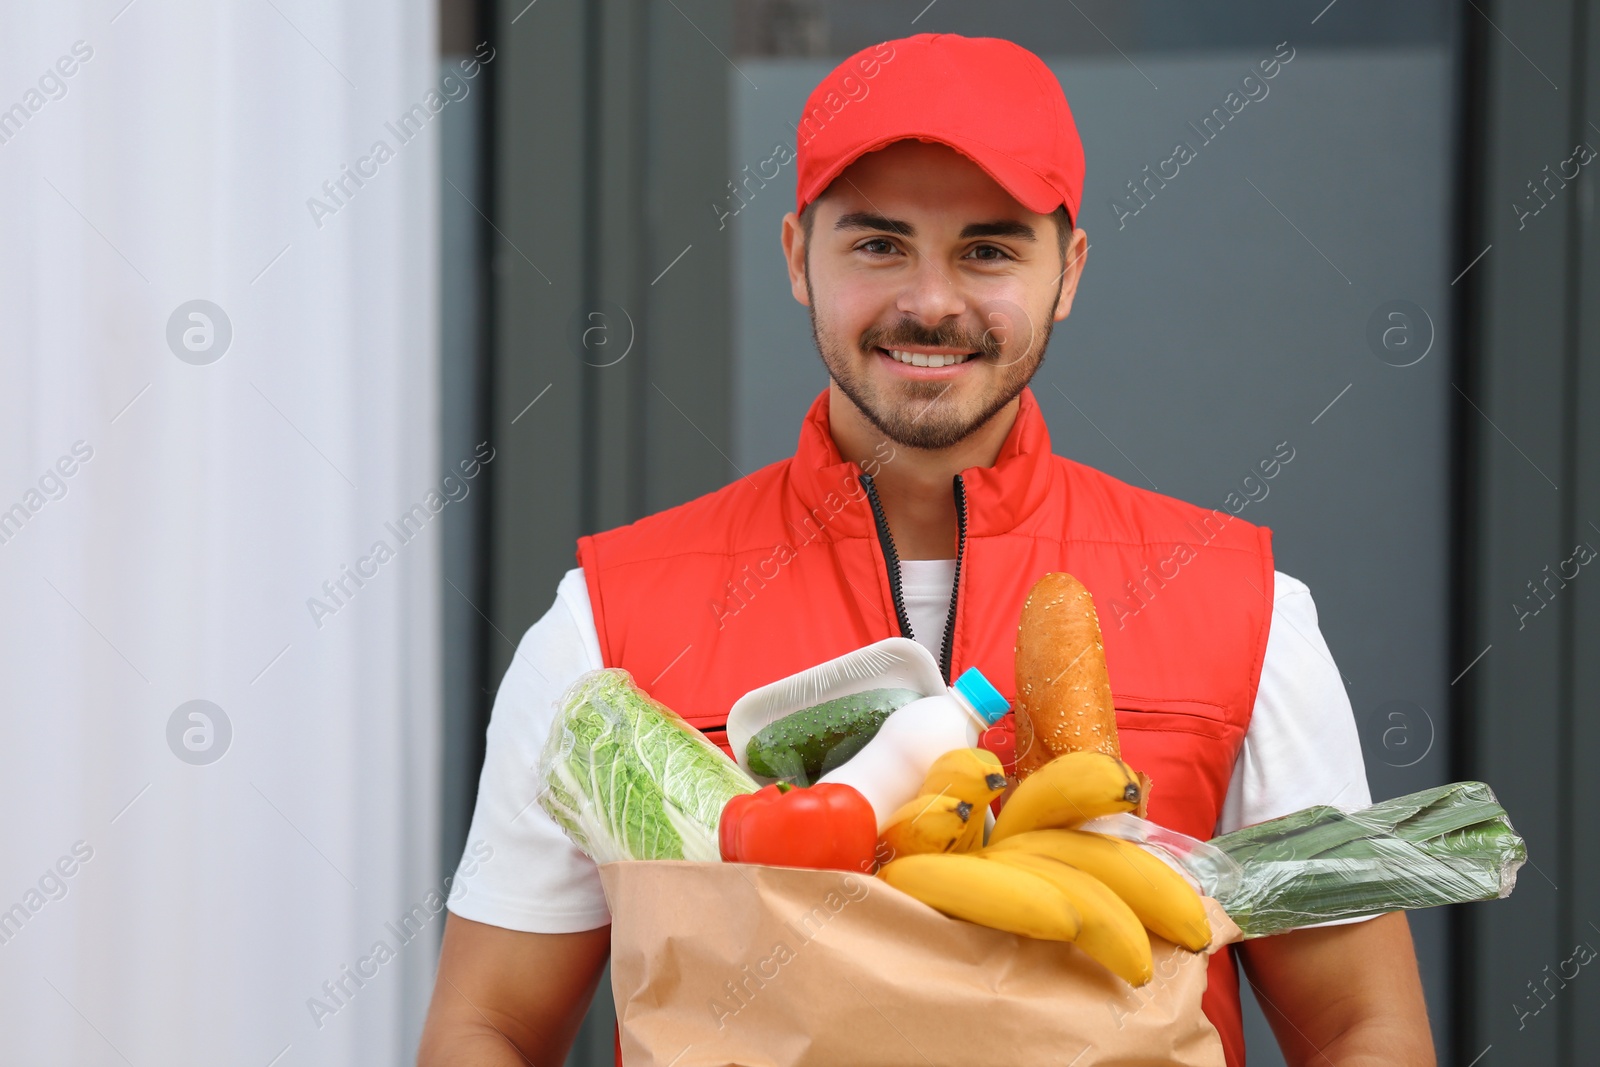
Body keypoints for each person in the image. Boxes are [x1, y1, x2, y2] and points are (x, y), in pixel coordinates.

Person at [418, 32, 1435, 1067]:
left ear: (1068, 270)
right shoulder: (608, 621)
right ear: (795, 256)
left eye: (988, 249)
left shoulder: (1243, 608)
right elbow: (486, 1025)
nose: (932, 301)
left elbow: (1363, 1028)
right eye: (878, 244)